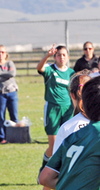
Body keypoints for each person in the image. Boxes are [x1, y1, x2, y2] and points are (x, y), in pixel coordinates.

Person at [36, 44, 75, 172]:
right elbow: (39, 68)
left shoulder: (71, 73)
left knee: (66, 144)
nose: (61, 57)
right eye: (58, 55)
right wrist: (47, 55)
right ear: (55, 57)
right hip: (52, 110)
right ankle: (44, 168)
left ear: (68, 57)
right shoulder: (50, 69)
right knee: (53, 147)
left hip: (68, 110)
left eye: (64, 55)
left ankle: (61, 172)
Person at [0, 45, 19, 144]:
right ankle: (2, 138)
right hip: (0, 93)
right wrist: (6, 75)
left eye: (2, 52)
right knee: (1, 116)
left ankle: (15, 137)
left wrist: (0, 73)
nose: (0, 54)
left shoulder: (10, 63)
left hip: (12, 92)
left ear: (6, 54)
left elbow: (12, 74)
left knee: (14, 116)